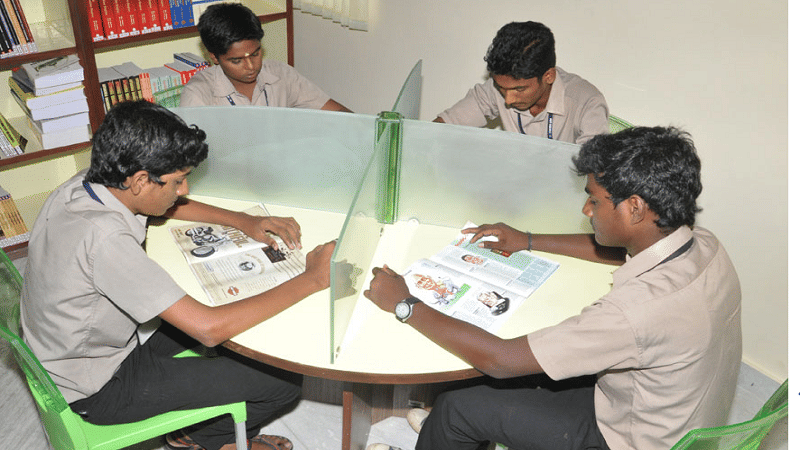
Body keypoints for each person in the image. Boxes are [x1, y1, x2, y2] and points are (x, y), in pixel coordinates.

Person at [364, 126, 742, 450]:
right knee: (525, 371)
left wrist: (406, 303)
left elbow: (501, 361)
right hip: (675, 415)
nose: (586, 210)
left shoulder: (635, 312)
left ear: (636, 208)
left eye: (594, 200)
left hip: (623, 436)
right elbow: (614, 251)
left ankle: (443, 434)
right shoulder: (703, 244)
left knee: (457, 406)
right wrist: (526, 240)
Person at [20, 101, 337, 450]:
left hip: (69, 350)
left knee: (222, 305)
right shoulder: (105, 240)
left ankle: (202, 428)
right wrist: (313, 278)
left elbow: (159, 207)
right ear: (140, 180)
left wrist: (241, 220)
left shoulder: (88, 183)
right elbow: (209, 329)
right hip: (100, 386)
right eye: (177, 181)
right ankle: (210, 440)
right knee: (282, 384)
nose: (183, 191)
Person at [435, 21, 608, 145]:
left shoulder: (587, 102)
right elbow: (444, 126)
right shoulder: (496, 88)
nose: (508, 100)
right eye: (502, 88)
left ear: (549, 76)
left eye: (519, 89)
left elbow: (594, 172)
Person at [180, 3, 351, 112]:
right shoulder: (199, 94)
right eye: (236, 60)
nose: (250, 66)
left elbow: (335, 112)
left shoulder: (281, 74)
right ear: (214, 57)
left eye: (255, 54)